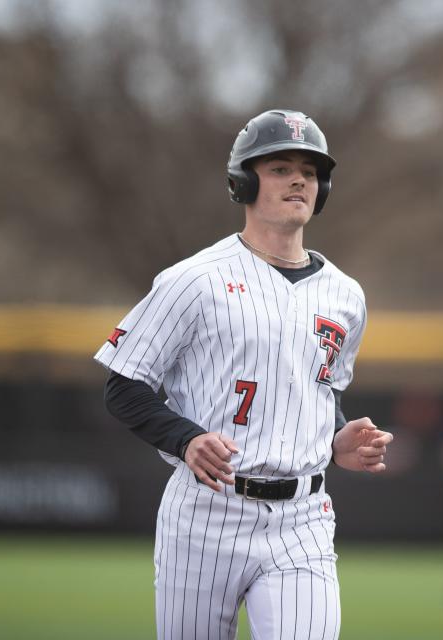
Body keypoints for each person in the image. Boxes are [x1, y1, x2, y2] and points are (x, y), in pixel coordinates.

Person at [94, 108, 393, 640]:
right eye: (279, 166)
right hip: (206, 513)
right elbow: (123, 385)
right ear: (243, 181)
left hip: (303, 518)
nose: (299, 178)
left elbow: (320, 391)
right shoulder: (193, 280)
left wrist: (336, 437)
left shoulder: (346, 295)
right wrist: (185, 439)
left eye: (310, 169)